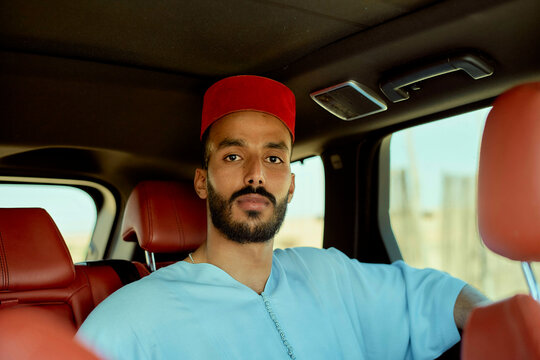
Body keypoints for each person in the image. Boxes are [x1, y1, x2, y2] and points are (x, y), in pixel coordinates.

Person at [77, 75, 489, 360]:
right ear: (202, 181)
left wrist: (499, 318)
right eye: (234, 155)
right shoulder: (127, 320)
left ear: (290, 185)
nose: (256, 173)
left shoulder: (328, 273)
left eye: (273, 157)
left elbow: (432, 294)